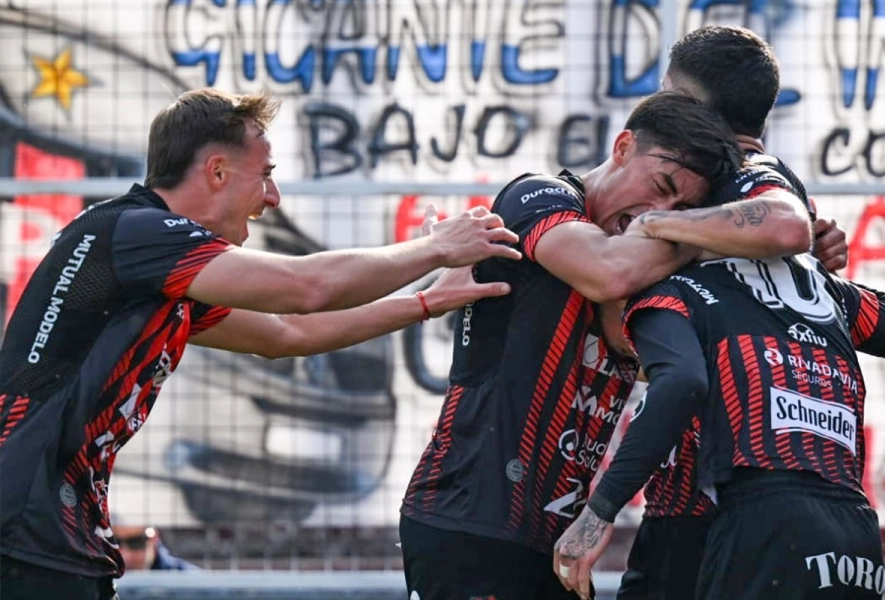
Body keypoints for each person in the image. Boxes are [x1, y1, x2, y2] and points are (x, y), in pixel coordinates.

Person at [0, 87, 524, 600]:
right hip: (26, 520)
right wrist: (436, 247)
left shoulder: (156, 264)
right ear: (218, 172)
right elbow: (305, 288)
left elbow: (286, 333)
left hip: (47, 523)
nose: (273, 197)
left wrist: (427, 301)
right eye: (266, 175)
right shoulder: (140, 233)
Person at [398, 90, 820, 600]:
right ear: (622, 148)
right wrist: (700, 234)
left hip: (551, 540)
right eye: (660, 187)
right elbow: (607, 272)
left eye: (683, 208)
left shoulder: (648, 259)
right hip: (469, 519)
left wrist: (797, 262)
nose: (657, 213)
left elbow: (653, 350)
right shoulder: (540, 197)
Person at [596, 26, 850, 600]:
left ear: (689, 103)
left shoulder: (745, 175)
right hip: (749, 495)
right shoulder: (711, 181)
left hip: (716, 495)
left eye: (668, 91)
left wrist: (658, 225)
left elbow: (785, 225)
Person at [553, 232, 885, 599]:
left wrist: (600, 509)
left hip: (733, 531)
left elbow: (680, 383)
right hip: (852, 533)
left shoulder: (675, 294)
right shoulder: (817, 294)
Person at [110, 522, 198, 572]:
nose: (126, 556)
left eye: (136, 542)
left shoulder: (189, 582)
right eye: (115, 542)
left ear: (154, 538)